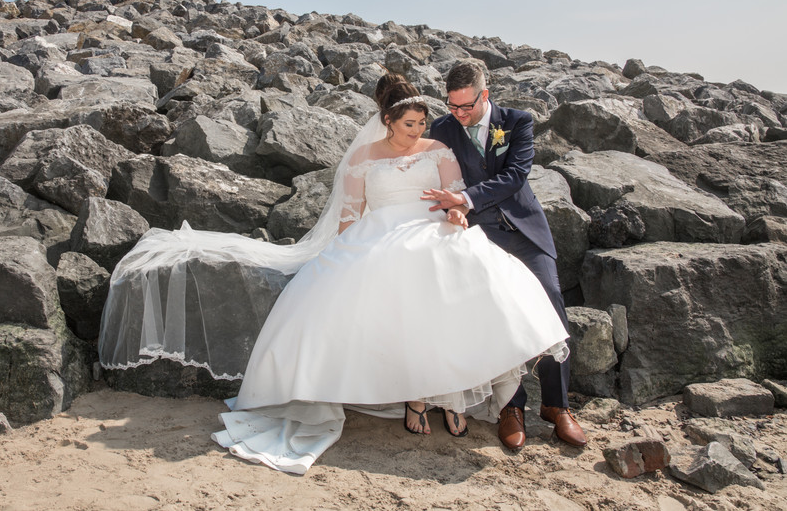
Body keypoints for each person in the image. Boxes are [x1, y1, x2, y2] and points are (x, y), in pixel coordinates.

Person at [99, 73, 570, 474]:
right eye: (411, 123)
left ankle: (512, 401)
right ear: (387, 121)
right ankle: (417, 396)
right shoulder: (368, 158)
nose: (419, 130)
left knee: (488, 283)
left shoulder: (447, 144)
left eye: (424, 122)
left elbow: (459, 191)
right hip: (382, 231)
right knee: (385, 284)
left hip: (452, 227)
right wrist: (347, 250)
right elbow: (350, 217)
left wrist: (457, 215)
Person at [424, 60, 588, 450]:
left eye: (467, 106)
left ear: (485, 95)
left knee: (551, 303)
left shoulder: (517, 122)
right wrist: (456, 207)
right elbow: (444, 177)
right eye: (452, 106)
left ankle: (557, 406)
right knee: (497, 313)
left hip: (526, 229)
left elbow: (516, 174)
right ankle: (511, 407)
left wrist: (465, 198)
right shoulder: (442, 129)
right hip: (480, 235)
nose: (459, 114)